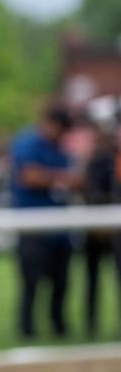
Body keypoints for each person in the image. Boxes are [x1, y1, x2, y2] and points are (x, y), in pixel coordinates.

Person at [9, 105, 83, 339]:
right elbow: (30, 176)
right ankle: (27, 329)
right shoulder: (26, 143)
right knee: (31, 282)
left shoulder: (62, 149)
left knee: (61, 282)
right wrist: (61, 178)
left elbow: (79, 181)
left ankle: (58, 327)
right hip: (33, 226)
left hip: (59, 228)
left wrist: (56, 178)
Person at [81, 122, 121, 337]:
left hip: (115, 229)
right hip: (95, 228)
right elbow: (89, 191)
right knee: (91, 279)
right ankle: (90, 323)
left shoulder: (114, 160)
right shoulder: (94, 162)